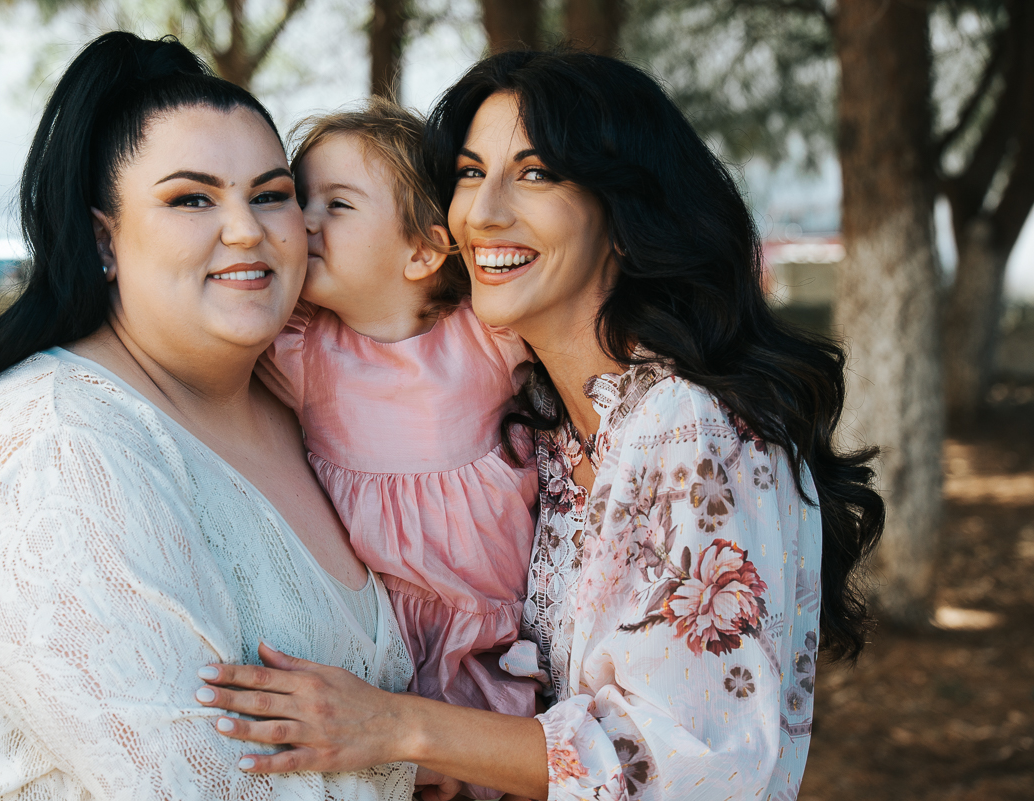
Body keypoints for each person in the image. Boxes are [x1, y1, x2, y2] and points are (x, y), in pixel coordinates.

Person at [192, 50, 886, 801]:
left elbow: (686, 762)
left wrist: (397, 727)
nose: (482, 212)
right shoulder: (544, 416)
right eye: (469, 173)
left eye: (535, 174)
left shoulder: (690, 425)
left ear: (624, 215)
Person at [0, 33, 423, 801]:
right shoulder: (53, 453)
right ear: (104, 239)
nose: (246, 229)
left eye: (270, 193)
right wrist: (422, 752)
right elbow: (195, 783)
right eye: (191, 198)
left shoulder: (308, 409)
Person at [255, 100, 542, 777]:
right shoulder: (301, 349)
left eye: (337, 205)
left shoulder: (486, 334)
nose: (305, 221)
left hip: (490, 636)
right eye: (300, 200)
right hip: (377, 646)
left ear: (423, 250)